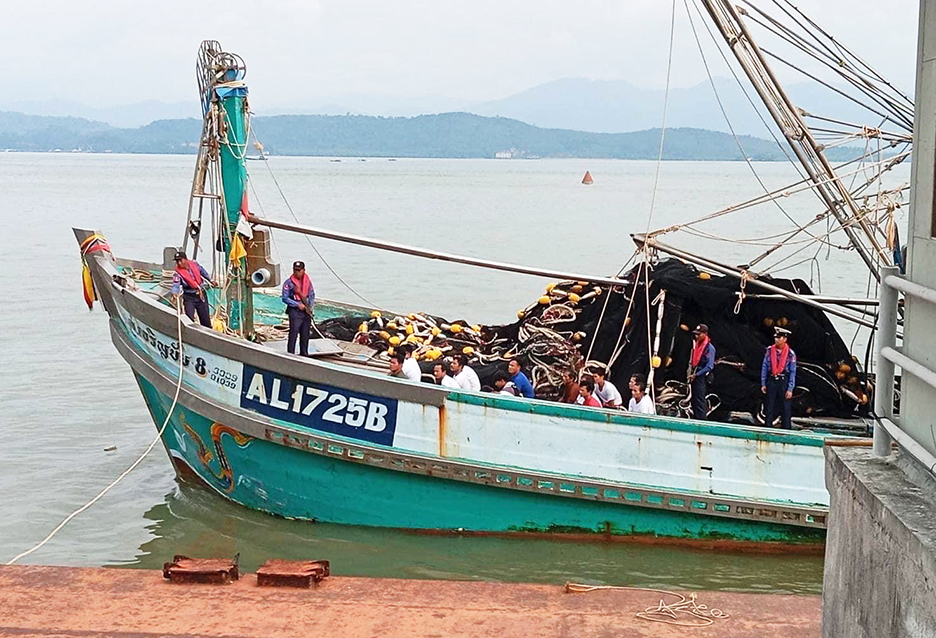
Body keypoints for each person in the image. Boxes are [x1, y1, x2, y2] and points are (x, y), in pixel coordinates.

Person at [761, 327, 797, 429]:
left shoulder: (790, 354)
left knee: (785, 407)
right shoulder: (769, 351)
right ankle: (767, 427)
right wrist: (763, 383)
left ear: (785, 339)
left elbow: (792, 372)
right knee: (769, 406)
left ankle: (786, 429)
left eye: (779, 337)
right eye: (776, 337)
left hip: (783, 380)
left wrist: (790, 388)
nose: (776, 340)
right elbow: (764, 367)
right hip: (772, 380)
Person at [171, 250, 217, 328]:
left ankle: (207, 334)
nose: (179, 263)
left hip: (201, 295)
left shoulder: (194, 264)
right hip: (189, 297)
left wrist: (211, 280)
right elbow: (176, 284)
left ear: (185, 259)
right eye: (177, 261)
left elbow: (203, 272)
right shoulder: (177, 274)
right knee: (189, 320)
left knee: (205, 320)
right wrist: (175, 293)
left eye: (180, 260)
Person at [282, 261, 315, 357]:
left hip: (306, 311)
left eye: (299, 271)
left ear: (303, 270)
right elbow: (285, 298)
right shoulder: (289, 283)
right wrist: (297, 304)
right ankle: (290, 354)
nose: (297, 273)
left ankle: (304, 353)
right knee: (294, 333)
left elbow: (312, 294)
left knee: (305, 334)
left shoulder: (307, 282)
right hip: (295, 311)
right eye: (295, 270)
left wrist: (311, 306)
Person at [687, 324, 716, 420]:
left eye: (699, 334)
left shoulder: (710, 348)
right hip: (695, 374)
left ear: (705, 334)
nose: (696, 336)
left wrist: (697, 374)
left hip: (702, 376)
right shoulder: (697, 345)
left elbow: (709, 366)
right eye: (696, 334)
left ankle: (702, 420)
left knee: (700, 399)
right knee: (694, 399)